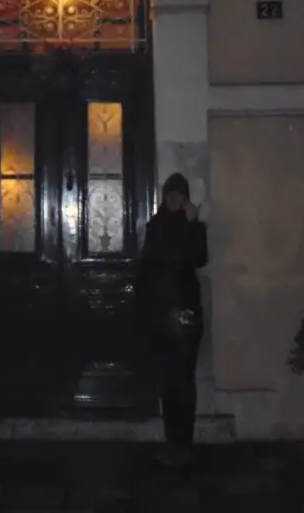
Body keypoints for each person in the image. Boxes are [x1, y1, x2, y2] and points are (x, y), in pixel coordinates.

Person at [135, 172, 208, 468]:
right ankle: (172, 442)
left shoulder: (193, 228)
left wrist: (191, 225)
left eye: (179, 195)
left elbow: (198, 258)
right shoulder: (156, 225)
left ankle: (183, 444)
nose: (173, 199)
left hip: (184, 314)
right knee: (167, 381)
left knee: (182, 380)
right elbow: (147, 269)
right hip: (159, 314)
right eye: (169, 194)